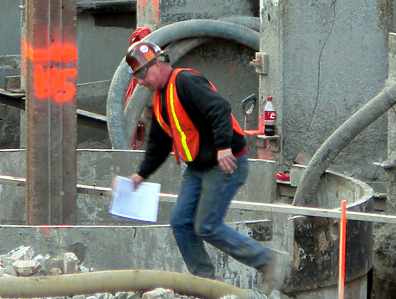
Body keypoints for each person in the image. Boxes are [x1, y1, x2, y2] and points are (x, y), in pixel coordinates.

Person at [124, 39, 290, 295]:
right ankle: (205, 284)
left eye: (142, 74)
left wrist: (223, 147)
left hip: (225, 163)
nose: (141, 81)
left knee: (207, 226)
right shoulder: (160, 100)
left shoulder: (185, 82)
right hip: (197, 168)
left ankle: (270, 262)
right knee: (180, 222)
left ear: (157, 65)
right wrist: (141, 174)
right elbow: (159, 142)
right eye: (137, 77)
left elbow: (219, 108)